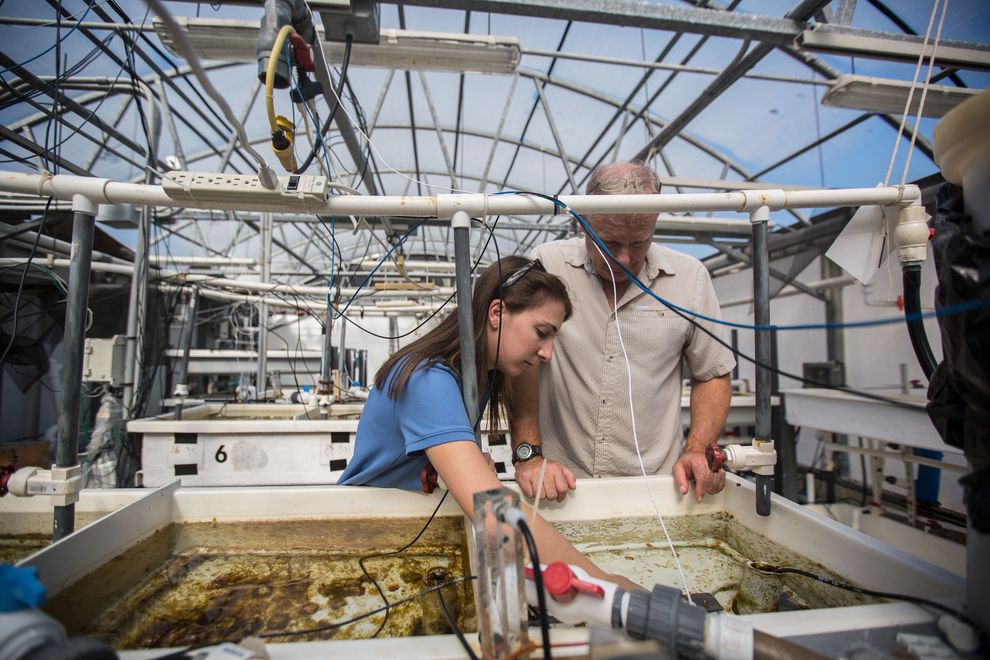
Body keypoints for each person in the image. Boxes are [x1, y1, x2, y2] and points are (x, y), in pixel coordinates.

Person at [339, 255, 638, 590]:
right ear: (496, 313)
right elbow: (494, 512)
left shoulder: (477, 376)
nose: (548, 353)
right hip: (360, 539)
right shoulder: (427, 379)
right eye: (542, 333)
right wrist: (605, 583)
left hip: (408, 527)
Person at [510, 162, 736, 503]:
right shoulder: (549, 265)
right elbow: (523, 364)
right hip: (559, 486)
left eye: (639, 241)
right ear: (582, 223)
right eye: (610, 242)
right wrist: (529, 454)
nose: (624, 257)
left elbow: (713, 373)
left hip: (658, 491)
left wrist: (698, 449)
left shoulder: (689, 279)